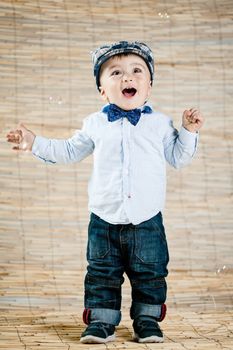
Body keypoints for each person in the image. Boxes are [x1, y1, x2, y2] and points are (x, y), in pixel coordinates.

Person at [6, 40, 204, 344]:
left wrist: (188, 132)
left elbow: (178, 158)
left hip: (147, 219)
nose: (127, 78)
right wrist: (35, 143)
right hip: (104, 218)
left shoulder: (160, 124)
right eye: (115, 73)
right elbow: (69, 150)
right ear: (102, 90)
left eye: (137, 71)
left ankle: (148, 320)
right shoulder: (95, 123)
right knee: (101, 273)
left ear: (149, 86)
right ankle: (101, 322)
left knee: (150, 273)